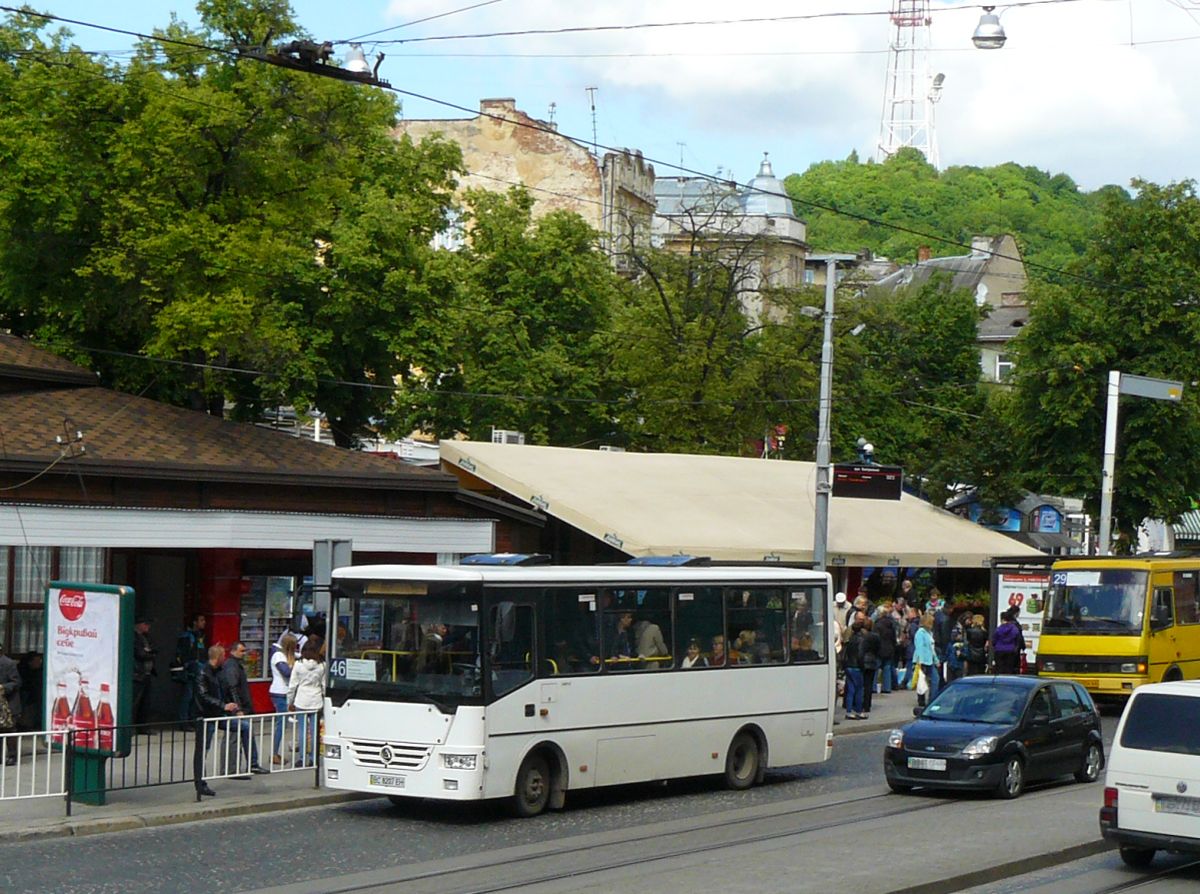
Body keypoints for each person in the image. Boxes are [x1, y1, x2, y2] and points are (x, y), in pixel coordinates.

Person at [193, 645, 238, 797]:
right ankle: (200, 783)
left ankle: (252, 763)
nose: (224, 657)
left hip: (218, 714)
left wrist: (232, 705)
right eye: (223, 655)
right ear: (218, 657)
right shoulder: (203, 672)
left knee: (243, 727)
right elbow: (203, 696)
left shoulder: (219, 672)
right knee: (202, 750)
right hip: (206, 716)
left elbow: (227, 689)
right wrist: (223, 705)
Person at [219, 641, 268, 776]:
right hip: (235, 709)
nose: (244, 653)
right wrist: (238, 709)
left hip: (240, 708)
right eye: (242, 651)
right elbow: (232, 687)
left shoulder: (235, 665)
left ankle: (250, 764)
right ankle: (233, 769)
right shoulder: (232, 666)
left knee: (244, 734)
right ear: (233, 651)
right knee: (234, 738)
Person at [287, 639, 326, 767]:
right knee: (315, 732)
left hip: (301, 700)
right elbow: (324, 685)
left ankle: (303, 758)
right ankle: (314, 758)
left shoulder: (298, 665)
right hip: (316, 700)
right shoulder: (322, 666)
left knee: (302, 731)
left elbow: (292, 685)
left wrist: (290, 701)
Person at [268, 634, 298, 765]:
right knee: (281, 724)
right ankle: (274, 753)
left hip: (284, 692)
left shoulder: (286, 656)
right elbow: (286, 672)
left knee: (283, 723)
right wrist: (297, 668)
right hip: (279, 692)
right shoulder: (279, 656)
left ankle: (275, 752)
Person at [175, 613, 207, 724]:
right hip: (190, 670)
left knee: (196, 697)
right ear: (194, 622)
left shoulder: (201, 636)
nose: (204, 623)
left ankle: (193, 720)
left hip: (199, 669)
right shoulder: (186, 636)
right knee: (187, 696)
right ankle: (183, 721)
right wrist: (187, 667)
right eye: (201, 620)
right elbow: (183, 655)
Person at [132, 616, 157, 730]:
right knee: (135, 701)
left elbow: (153, 649)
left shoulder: (145, 637)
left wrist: (149, 653)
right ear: (139, 624)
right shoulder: (134, 636)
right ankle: (130, 726)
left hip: (146, 673)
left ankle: (142, 726)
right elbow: (140, 654)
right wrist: (149, 654)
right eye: (145, 624)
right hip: (137, 674)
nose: (148, 626)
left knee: (145, 702)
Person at [913, 612, 940, 707]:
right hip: (923, 661)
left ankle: (930, 700)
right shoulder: (920, 633)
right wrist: (920, 661)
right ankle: (924, 700)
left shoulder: (929, 633)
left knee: (933, 680)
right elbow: (919, 647)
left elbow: (932, 649)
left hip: (930, 660)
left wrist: (936, 660)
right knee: (923, 680)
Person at [0, 642, 20, 764]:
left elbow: (17, 682)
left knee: (10, 730)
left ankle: (12, 756)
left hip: (8, 704)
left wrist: (3, 687)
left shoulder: (9, 663)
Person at [991, 607, 1026, 675]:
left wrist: (995, 646)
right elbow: (1018, 638)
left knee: (999, 668)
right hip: (1010, 650)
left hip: (999, 650)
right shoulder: (1014, 628)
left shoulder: (999, 628)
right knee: (1009, 669)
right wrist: (1020, 647)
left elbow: (994, 639)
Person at [842, 620, 866, 719]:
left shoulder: (849, 639)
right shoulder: (861, 640)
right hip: (856, 667)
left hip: (848, 665)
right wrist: (862, 666)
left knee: (851, 689)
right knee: (859, 689)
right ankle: (859, 710)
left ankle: (848, 711)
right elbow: (860, 655)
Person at [859, 616, 880, 718]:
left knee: (861, 684)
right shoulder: (876, 636)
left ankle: (860, 704)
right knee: (869, 685)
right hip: (873, 661)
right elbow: (878, 649)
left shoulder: (862, 637)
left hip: (864, 661)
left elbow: (861, 650)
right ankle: (867, 705)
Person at [874, 604, 897, 694]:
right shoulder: (891, 624)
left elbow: (876, 637)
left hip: (879, 648)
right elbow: (894, 637)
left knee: (876, 668)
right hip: (889, 648)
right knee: (887, 668)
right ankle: (887, 687)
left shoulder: (877, 624)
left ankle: (873, 687)